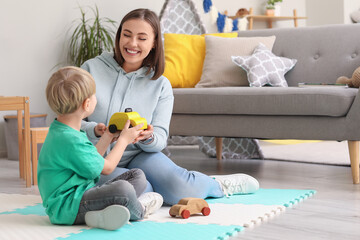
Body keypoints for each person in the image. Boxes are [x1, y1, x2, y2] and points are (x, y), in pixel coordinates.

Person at [81, 8, 259, 206]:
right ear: (119, 35)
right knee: (135, 188)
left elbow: (160, 138)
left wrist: (147, 137)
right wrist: (95, 130)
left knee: (180, 190)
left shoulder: (160, 84)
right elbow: (67, 122)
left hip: (140, 155)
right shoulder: (90, 69)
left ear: (154, 42)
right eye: (127, 35)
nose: (132, 44)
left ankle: (216, 185)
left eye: (142, 38)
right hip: (97, 158)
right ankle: (153, 189)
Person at [38, 66, 163, 231]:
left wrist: (108, 136)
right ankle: (140, 209)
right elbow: (107, 168)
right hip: (67, 208)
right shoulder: (69, 139)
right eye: (94, 95)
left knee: (137, 175)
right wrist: (124, 140)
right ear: (87, 103)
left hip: (81, 196)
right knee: (123, 189)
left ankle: (101, 215)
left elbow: (92, 163)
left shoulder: (64, 131)